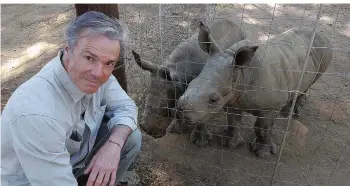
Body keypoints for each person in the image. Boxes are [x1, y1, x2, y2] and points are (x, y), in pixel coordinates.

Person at [1, 11, 142, 186]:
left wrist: (113, 145)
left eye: (109, 63)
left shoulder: (97, 75)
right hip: (31, 180)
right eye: (90, 58)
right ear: (68, 50)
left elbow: (127, 106)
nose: (99, 73)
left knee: (130, 138)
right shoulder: (37, 113)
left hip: (69, 164)